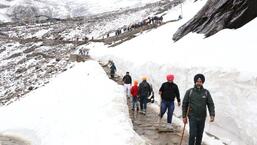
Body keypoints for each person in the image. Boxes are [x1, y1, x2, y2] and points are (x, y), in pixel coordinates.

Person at [182, 74, 215, 145]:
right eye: (197, 81)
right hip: (192, 116)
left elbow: (210, 104)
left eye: (200, 81)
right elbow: (184, 104)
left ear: (202, 82)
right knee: (192, 134)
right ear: (195, 82)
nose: (199, 83)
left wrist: (212, 114)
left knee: (199, 135)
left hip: (202, 117)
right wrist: (184, 116)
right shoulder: (190, 92)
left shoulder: (206, 92)